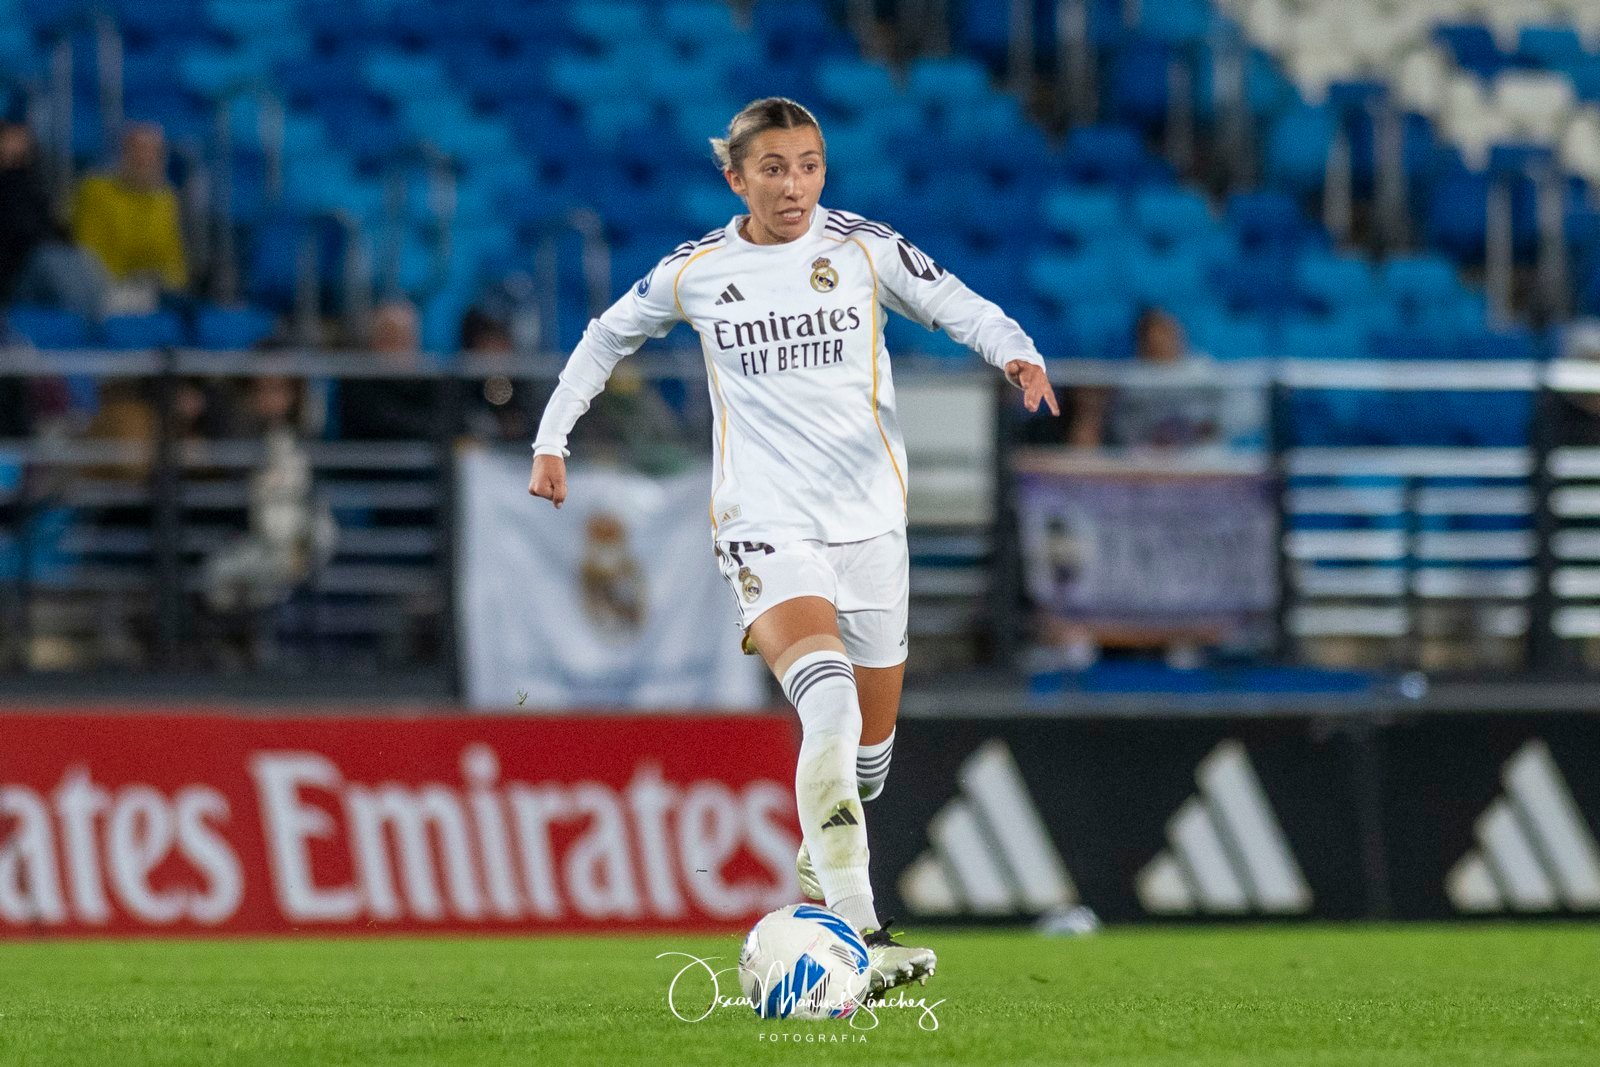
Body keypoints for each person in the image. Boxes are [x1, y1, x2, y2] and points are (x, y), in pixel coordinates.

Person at [527, 97, 1059, 993]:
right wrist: (553, 439)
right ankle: (861, 930)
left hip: (872, 528)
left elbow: (954, 300)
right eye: (773, 168)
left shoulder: (862, 248)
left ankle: (825, 854)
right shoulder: (698, 270)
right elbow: (605, 335)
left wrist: (1014, 349)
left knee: (869, 761)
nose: (794, 185)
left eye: (808, 165)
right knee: (830, 707)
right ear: (736, 178)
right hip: (765, 526)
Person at [71, 123, 188, 309]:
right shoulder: (96, 191)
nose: (143, 158)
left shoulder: (166, 200)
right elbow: (86, 253)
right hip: (105, 292)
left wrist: (167, 284)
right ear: (122, 154)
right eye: (136, 150)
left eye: (151, 152)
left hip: (154, 293)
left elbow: (175, 264)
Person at [1070, 307, 1220, 448]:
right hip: (1144, 453)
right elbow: (1123, 427)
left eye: (1166, 334)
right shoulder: (1131, 377)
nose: (1162, 342)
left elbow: (1218, 421)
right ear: (1144, 342)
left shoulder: (1203, 370)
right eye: (1155, 336)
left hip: (1197, 451)